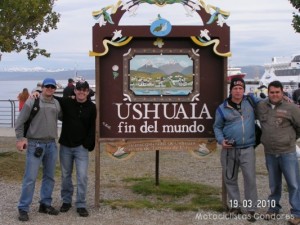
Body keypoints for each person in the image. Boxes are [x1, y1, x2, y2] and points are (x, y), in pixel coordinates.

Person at [15, 78, 62, 222]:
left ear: (55, 88)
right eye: (47, 86)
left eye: (52, 87)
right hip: (35, 144)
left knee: (49, 177)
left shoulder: (56, 103)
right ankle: (23, 208)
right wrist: (20, 139)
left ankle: (45, 204)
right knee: (30, 178)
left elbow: (65, 116)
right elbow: (20, 121)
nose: (50, 88)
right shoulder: (32, 101)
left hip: (51, 144)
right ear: (42, 87)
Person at [213, 77, 258, 222]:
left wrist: (285, 100)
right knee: (230, 178)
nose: (238, 91)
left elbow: (268, 102)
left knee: (250, 179)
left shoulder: (251, 102)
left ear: (244, 90)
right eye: (235, 88)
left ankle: (251, 209)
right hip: (229, 149)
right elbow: (217, 127)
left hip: (248, 148)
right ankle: (235, 207)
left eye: (240, 88)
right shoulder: (222, 107)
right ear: (231, 90)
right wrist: (221, 140)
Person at [256, 80, 300, 224]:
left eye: (277, 92)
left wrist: (290, 138)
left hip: (287, 152)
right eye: (272, 92)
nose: (274, 95)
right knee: (274, 184)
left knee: (293, 184)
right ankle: (274, 209)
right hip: (270, 152)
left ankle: (297, 213)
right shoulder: (261, 106)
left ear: (282, 92)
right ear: (268, 93)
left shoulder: (292, 108)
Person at [55, 80, 96, 217]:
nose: (81, 92)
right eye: (79, 89)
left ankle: (81, 204)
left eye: (84, 90)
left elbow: (92, 127)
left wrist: (88, 144)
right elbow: (53, 97)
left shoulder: (92, 107)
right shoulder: (67, 102)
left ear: (88, 92)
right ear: (75, 91)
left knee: (82, 176)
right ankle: (66, 201)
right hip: (65, 145)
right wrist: (36, 93)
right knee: (66, 175)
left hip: (81, 148)